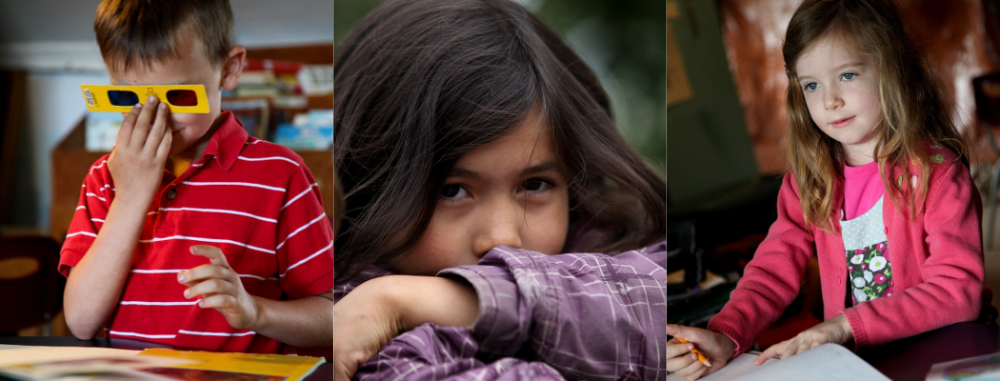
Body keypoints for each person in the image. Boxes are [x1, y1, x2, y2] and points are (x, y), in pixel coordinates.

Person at [331, 0, 668, 379]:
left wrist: (419, 298)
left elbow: (659, 299)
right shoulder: (355, 325)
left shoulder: (605, 233)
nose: (503, 238)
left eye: (535, 185)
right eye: (452, 191)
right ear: (370, 189)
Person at [666, 0, 995, 379]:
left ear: (893, 69)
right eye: (811, 84)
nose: (829, 100)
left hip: (941, 350)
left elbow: (957, 292)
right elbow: (771, 271)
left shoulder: (938, 174)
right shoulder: (810, 180)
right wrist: (726, 333)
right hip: (856, 360)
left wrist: (842, 325)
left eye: (848, 75)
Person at [59, 0, 333, 354]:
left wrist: (256, 312)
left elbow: (332, 319)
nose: (157, 115)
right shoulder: (105, 177)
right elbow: (81, 321)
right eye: (131, 95)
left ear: (228, 70)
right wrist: (131, 196)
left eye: (178, 95)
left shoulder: (282, 175)